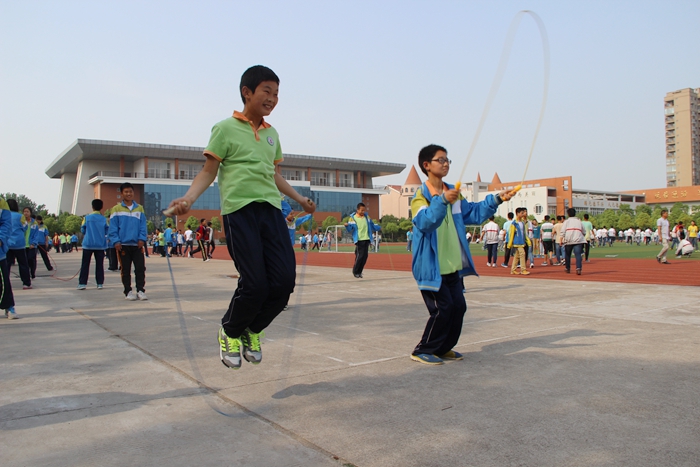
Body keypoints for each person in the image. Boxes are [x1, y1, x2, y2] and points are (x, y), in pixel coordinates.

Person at [164, 65, 316, 370]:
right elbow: (209, 171)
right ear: (247, 92)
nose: (272, 98)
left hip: (271, 212)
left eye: (276, 93)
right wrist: (189, 199)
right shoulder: (224, 129)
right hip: (239, 212)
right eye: (266, 91)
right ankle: (230, 331)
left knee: (284, 282)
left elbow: (274, 175)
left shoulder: (272, 134)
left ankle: (252, 329)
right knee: (255, 284)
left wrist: (299, 198)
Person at [409, 144, 517, 365]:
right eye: (440, 160)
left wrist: (497, 199)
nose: (446, 163)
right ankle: (423, 349)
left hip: (453, 264)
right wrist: (442, 200)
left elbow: (474, 214)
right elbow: (425, 221)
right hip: (432, 266)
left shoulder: (454, 194)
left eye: (448, 159)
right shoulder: (420, 196)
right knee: (443, 309)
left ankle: (443, 348)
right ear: (426, 165)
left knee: (458, 307)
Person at [108, 182, 148, 300]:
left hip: (137, 245)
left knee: (140, 268)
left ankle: (140, 290)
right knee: (125, 270)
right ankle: (128, 291)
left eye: (130, 191)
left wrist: (142, 238)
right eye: (126, 192)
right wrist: (116, 241)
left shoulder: (139, 208)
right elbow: (113, 227)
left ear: (133, 192)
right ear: (122, 193)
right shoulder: (116, 209)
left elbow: (143, 225)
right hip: (123, 245)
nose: (129, 194)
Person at [78, 199, 109, 290]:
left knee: (85, 264)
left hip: (88, 244)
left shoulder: (86, 218)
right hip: (100, 244)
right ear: (101, 207)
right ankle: (99, 283)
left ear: (92, 207)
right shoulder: (104, 219)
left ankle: (82, 283)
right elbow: (107, 230)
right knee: (99, 264)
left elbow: (83, 229)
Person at [345, 202, 381, 278]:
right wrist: (347, 226)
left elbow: (372, 225)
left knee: (365, 257)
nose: (363, 212)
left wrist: (378, 227)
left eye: (364, 210)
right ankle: (355, 271)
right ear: (357, 210)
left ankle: (360, 272)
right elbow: (350, 228)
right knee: (360, 256)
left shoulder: (366, 217)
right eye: (361, 210)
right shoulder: (353, 218)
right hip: (359, 240)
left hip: (367, 239)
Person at [5, 199, 31, 289]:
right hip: (19, 244)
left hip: (7, 243)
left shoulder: (4, 216)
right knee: (23, 264)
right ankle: (26, 283)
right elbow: (25, 227)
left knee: (6, 265)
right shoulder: (21, 216)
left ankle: (5, 283)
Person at [0, 197, 17, 319]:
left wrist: (1, 239)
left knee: (3, 281)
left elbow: (6, 223)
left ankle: (9, 306)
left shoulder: (1, 202)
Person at [561, 208, 586, 275]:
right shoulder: (579, 221)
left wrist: (561, 240)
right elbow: (584, 231)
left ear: (568, 214)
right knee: (578, 254)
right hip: (578, 240)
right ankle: (578, 268)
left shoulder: (566, 222)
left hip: (568, 240)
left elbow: (562, 231)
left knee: (567, 255)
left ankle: (568, 268)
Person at [507, 208, 531, 276]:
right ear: (517, 214)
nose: (523, 214)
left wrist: (528, 241)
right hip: (517, 242)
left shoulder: (522, 223)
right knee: (522, 253)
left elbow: (524, 234)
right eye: (522, 213)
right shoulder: (514, 223)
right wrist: (509, 244)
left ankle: (513, 270)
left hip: (522, 242)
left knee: (516, 256)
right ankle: (523, 270)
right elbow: (511, 234)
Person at [22, 208, 39, 279]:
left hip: (31, 245)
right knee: (24, 261)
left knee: (31, 259)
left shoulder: (34, 223)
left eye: (27, 212)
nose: (26, 213)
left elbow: (36, 234)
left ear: (30, 213)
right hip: (23, 245)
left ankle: (32, 273)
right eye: (24, 212)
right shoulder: (22, 221)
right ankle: (26, 274)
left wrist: (34, 243)